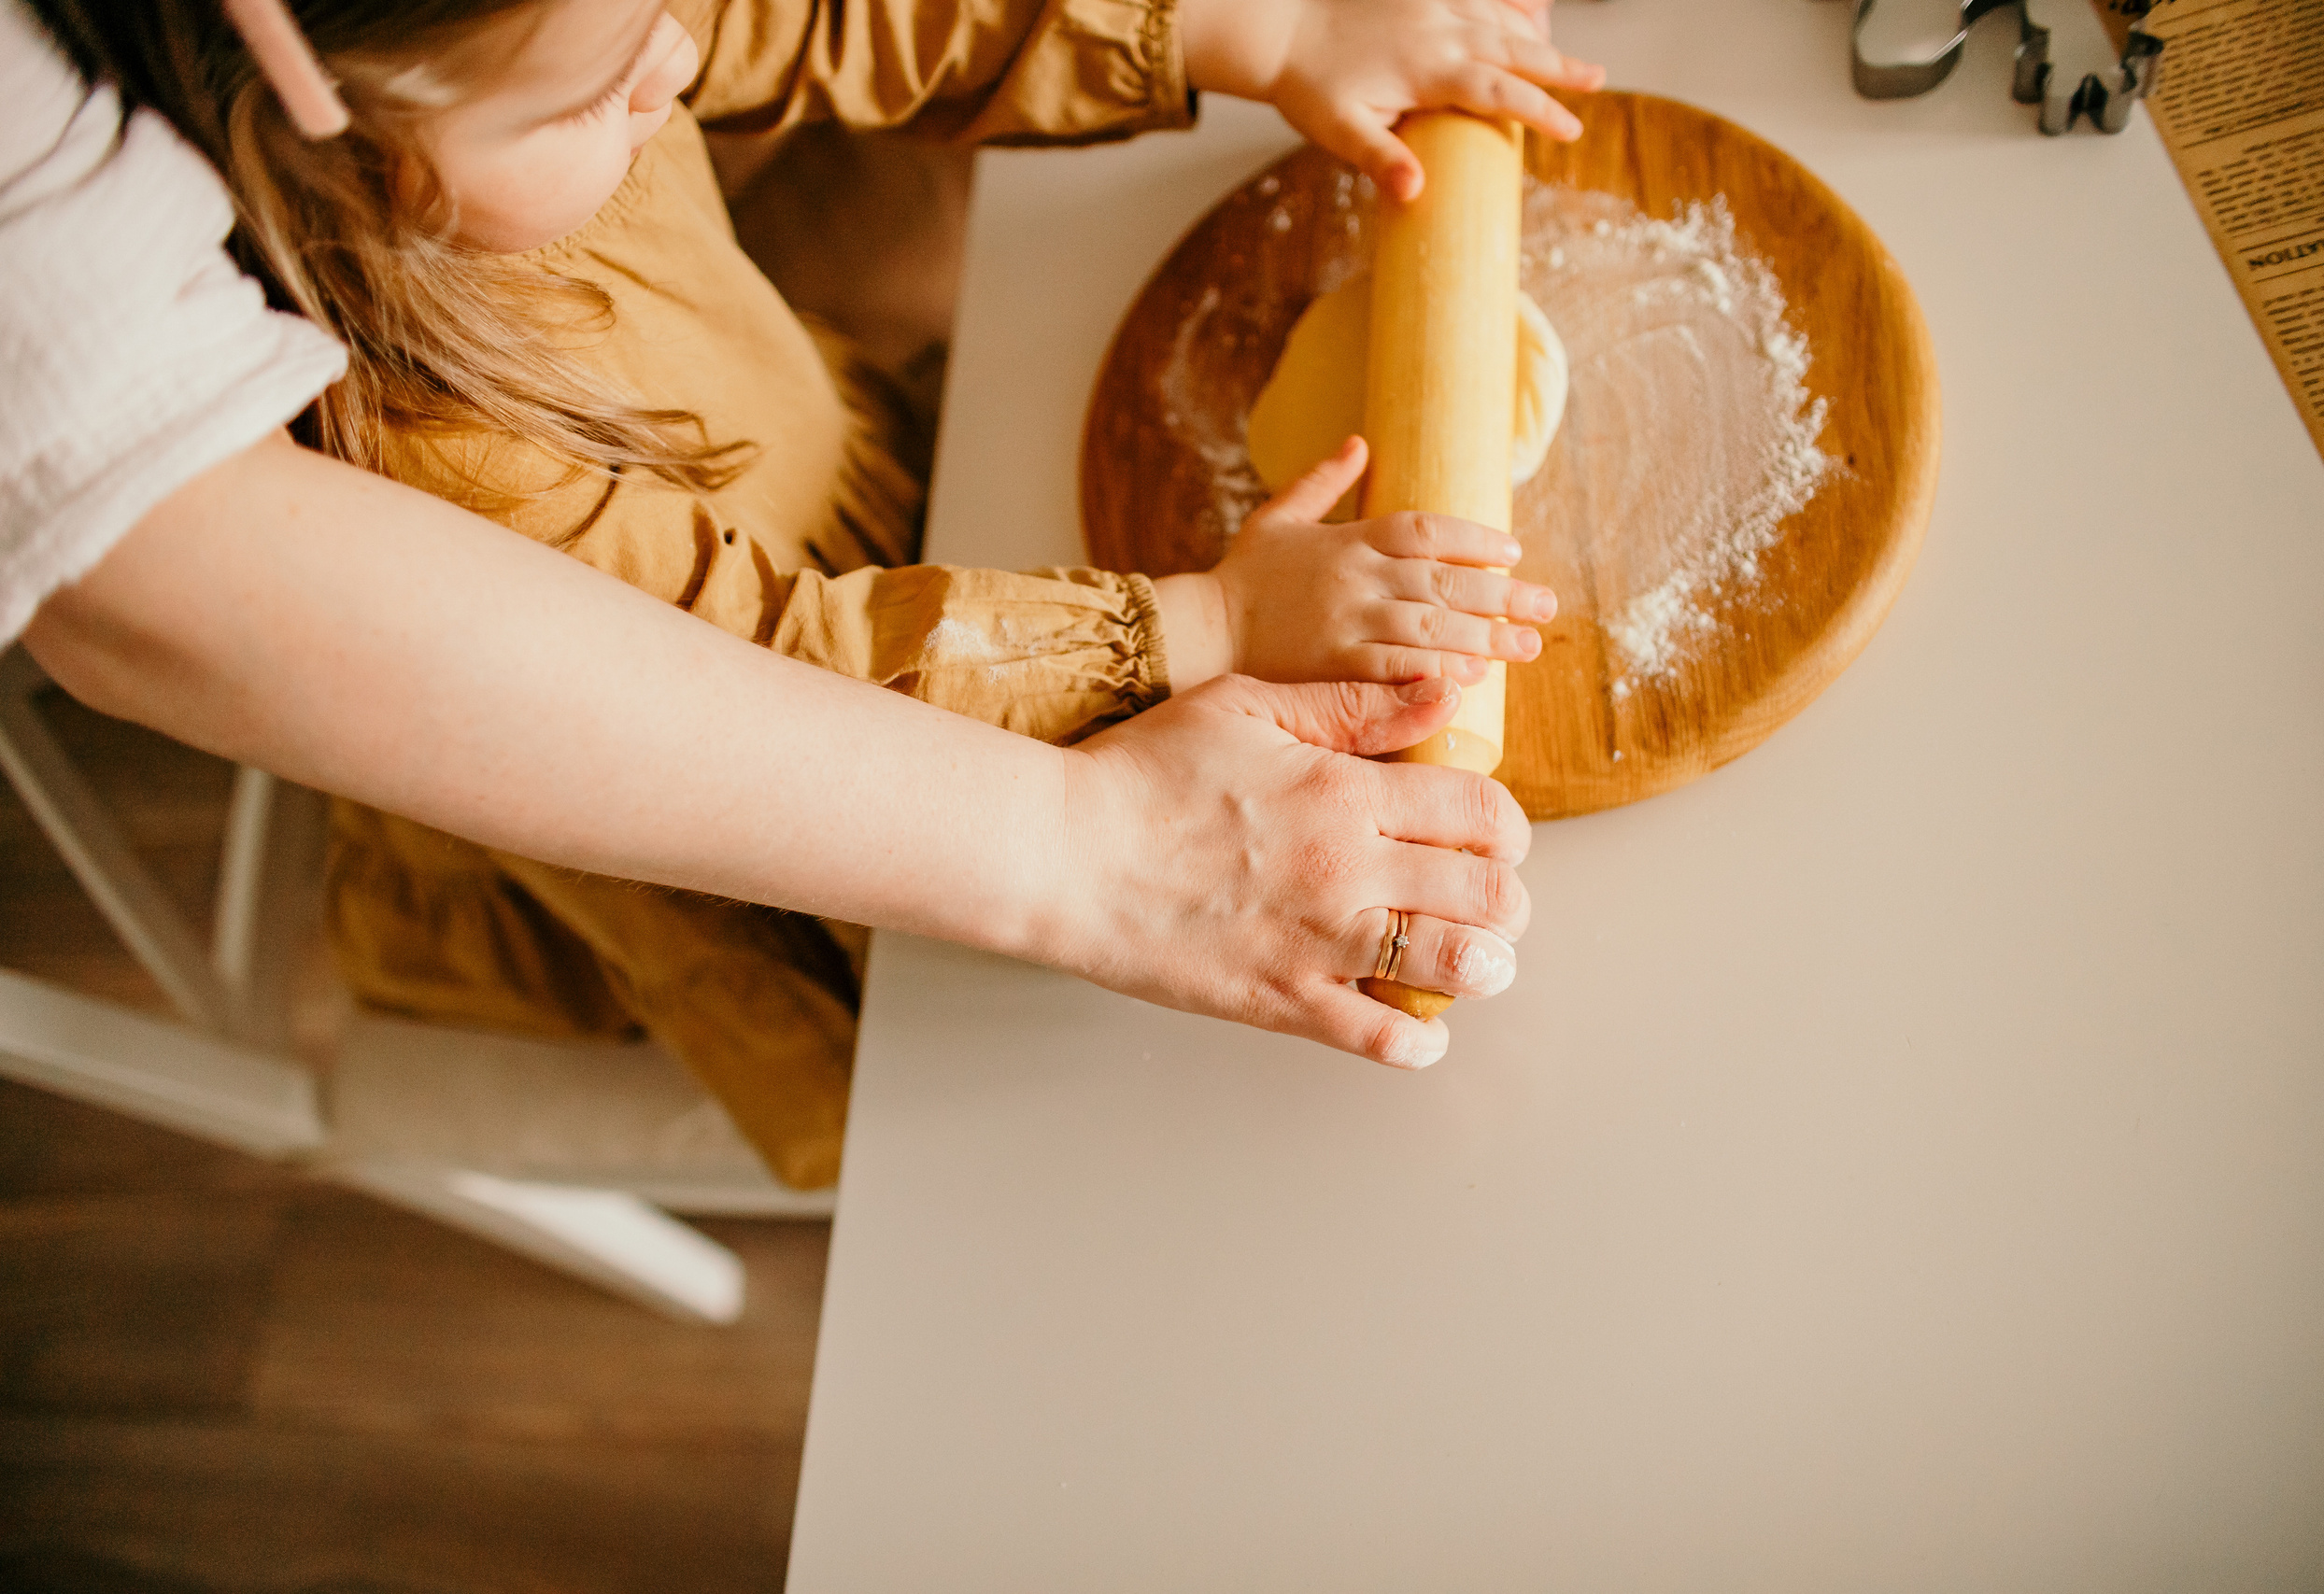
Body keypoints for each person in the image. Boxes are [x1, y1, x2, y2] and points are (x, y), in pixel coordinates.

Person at [6, 0, 1570, 1181]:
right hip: (803, 803)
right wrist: (1200, 628)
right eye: (597, 92)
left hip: (896, 548)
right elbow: (777, 654)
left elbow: (815, 11)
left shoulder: (548, 42)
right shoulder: (413, 452)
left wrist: (1240, 27)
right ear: (324, 121)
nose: (676, 71)